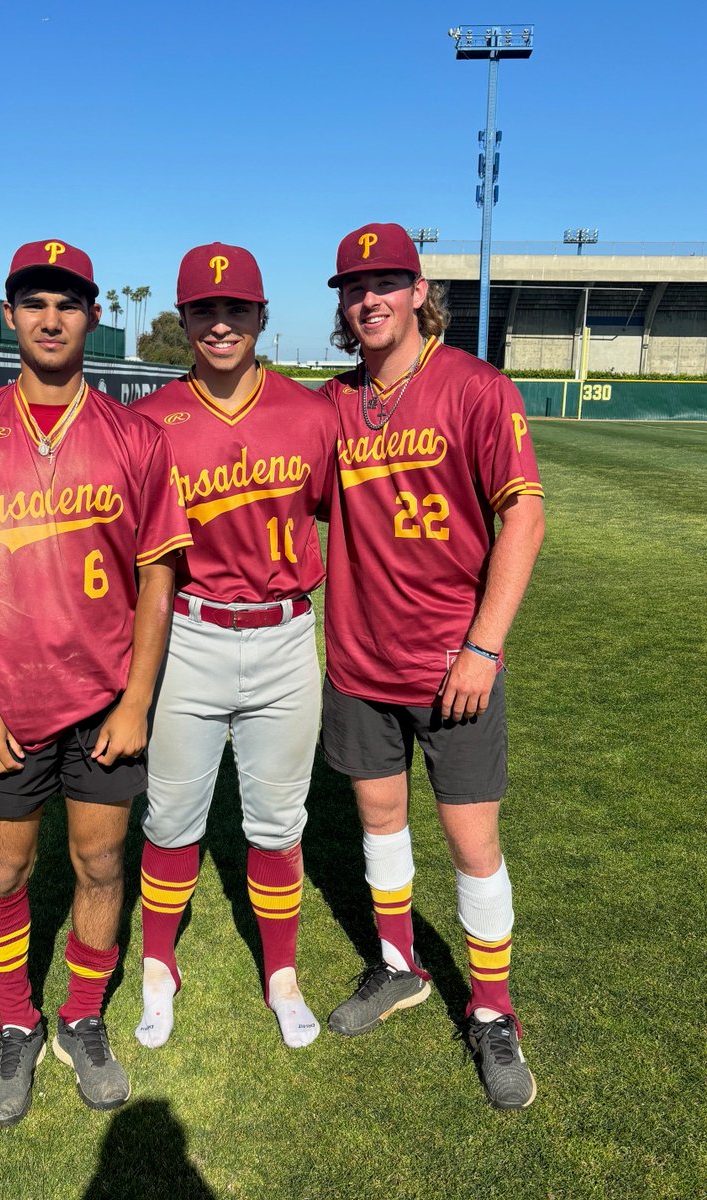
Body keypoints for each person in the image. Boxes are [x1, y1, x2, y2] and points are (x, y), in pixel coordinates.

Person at [0, 239, 192, 1126]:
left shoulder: (135, 437)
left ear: (92, 316)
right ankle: (16, 1025)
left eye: (68, 301)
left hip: (104, 705)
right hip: (5, 711)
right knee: (3, 870)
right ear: (10, 315)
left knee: (99, 864)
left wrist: (138, 699)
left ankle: (82, 1018)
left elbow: (157, 576)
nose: (51, 317)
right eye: (35, 301)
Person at [319, 222, 545, 1109]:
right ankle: (399, 966)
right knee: (381, 826)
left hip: (456, 664)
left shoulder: (478, 388)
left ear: (418, 291)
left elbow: (522, 519)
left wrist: (485, 646)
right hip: (359, 662)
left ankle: (492, 1011)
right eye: (352, 286)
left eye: (386, 282)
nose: (368, 298)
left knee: (471, 844)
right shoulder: (334, 403)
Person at [132, 242, 338, 1049]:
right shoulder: (150, 421)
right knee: (173, 817)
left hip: (286, 636)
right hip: (190, 634)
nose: (220, 324)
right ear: (183, 320)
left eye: (236, 310)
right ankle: (157, 967)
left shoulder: (311, 414)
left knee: (278, 825)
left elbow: (337, 522)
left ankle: (281, 974)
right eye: (204, 311)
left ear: (260, 316)